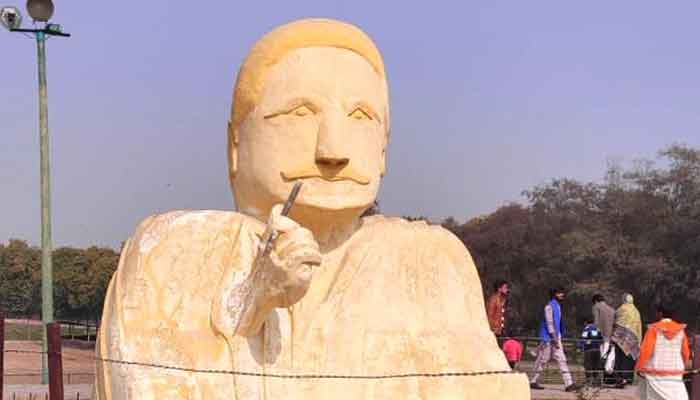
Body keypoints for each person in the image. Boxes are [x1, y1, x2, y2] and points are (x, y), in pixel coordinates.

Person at [93, 18, 530, 399]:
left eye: (361, 117)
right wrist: (249, 305)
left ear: (383, 149)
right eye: (300, 113)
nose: (333, 151)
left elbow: (486, 387)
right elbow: (149, 383)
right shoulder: (176, 250)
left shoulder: (430, 262)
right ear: (235, 145)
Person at [530, 288, 581, 392]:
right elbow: (549, 323)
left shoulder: (557, 306)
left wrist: (557, 337)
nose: (562, 295)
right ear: (554, 295)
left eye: (562, 293)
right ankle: (532, 381)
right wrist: (554, 339)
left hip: (555, 337)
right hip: (549, 338)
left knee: (561, 359)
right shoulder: (549, 307)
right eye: (559, 293)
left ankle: (569, 384)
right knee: (543, 359)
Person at [636, 304, 691, 400]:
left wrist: (639, 367)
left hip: (655, 372)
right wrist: (683, 364)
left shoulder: (653, 329)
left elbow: (646, 351)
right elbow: (685, 353)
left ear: (660, 313)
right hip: (675, 373)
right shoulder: (681, 331)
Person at [611, 293, 642, 388]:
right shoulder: (636, 311)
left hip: (620, 339)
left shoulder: (621, 309)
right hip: (632, 340)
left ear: (624, 300)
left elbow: (615, 321)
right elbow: (638, 326)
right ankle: (628, 379)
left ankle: (620, 379)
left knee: (619, 358)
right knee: (629, 358)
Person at [592, 294, 616, 380]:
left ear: (595, 301)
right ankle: (609, 379)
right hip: (612, 337)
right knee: (610, 358)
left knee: (602, 357)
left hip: (602, 337)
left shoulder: (596, 307)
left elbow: (596, 323)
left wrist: (595, 335)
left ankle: (600, 379)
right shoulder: (612, 309)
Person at [578, 319, 603, 385]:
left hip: (588, 350)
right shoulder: (597, 329)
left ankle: (588, 381)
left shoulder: (586, 329)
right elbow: (601, 339)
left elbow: (583, 339)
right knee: (596, 365)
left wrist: (579, 347)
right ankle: (596, 380)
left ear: (585, 322)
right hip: (597, 350)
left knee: (588, 365)